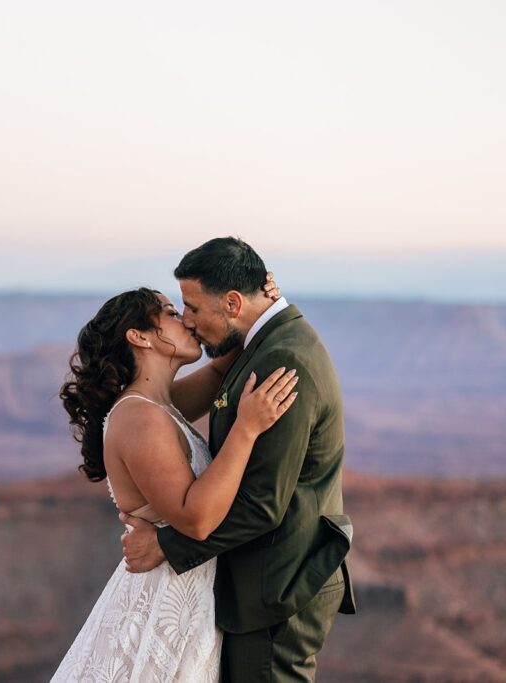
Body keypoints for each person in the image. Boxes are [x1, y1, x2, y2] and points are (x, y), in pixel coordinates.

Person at [120, 237, 356, 682]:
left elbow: (262, 505)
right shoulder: (261, 341)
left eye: (192, 307)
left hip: (279, 588)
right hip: (263, 584)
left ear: (231, 302)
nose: (187, 321)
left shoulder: (282, 359)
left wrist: (165, 548)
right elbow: (160, 406)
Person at [52, 272, 296, 682]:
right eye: (167, 312)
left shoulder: (155, 406)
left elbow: (223, 367)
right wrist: (247, 429)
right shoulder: (137, 417)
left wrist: (259, 301)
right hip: (164, 608)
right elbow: (196, 518)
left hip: (186, 597)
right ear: (140, 337)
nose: (185, 319)